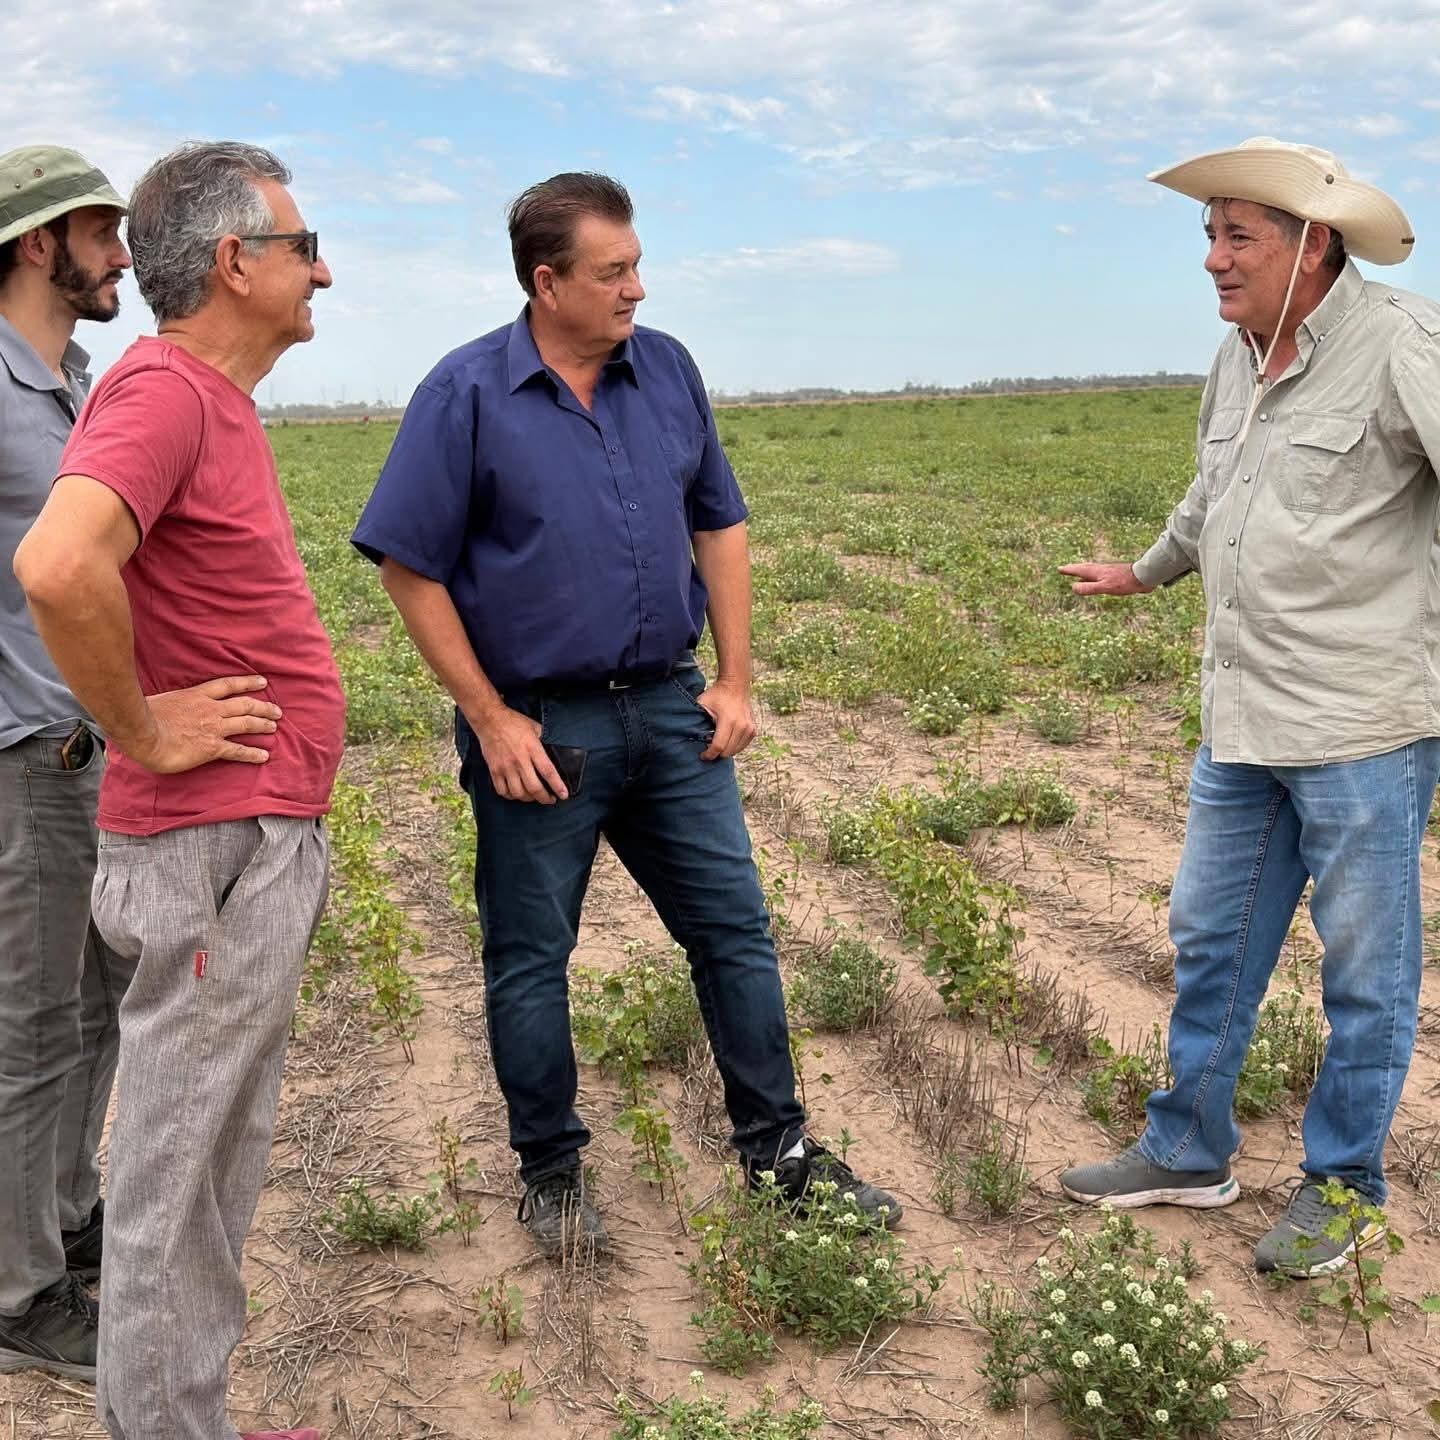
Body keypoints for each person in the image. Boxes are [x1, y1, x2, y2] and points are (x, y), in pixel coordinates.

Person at [353, 170, 899, 1256]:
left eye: (638, 266)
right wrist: (490, 718)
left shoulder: (669, 370)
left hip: (670, 708)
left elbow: (720, 523)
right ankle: (551, 1175)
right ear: (546, 282)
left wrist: (735, 680)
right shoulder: (465, 393)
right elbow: (409, 567)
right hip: (542, 732)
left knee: (734, 933)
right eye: (613, 272)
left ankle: (780, 1155)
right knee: (529, 956)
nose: (636, 289)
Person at [1057, 137, 1439, 1278]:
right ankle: (1188, 1150)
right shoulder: (1239, 355)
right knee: (1210, 938)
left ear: (1312, 245)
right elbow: (1212, 492)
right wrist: (1146, 572)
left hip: (1363, 727)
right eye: (1210, 235)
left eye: (1238, 237)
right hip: (1245, 719)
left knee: (1365, 973)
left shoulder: (1401, 343)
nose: (1214, 259)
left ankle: (1344, 1186)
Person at [14, 141, 340, 1440]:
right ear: (235, 262)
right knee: (174, 1171)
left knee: (211, 1160)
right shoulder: (161, 390)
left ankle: (184, 1417)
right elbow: (57, 565)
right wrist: (141, 730)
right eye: (304, 247)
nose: (324, 271)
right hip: (209, 850)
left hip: (240, 844)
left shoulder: (207, 399)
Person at [0, 144, 133, 1384]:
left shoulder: (74, 380)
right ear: (38, 243)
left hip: (87, 746)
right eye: (101, 233)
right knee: (32, 1024)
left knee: (95, 1004)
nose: (122, 257)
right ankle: (19, 1290)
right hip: (21, 754)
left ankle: (64, 1212)